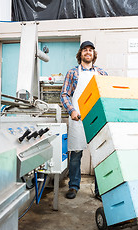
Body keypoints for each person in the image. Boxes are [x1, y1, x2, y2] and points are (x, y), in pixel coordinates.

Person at [60, 41, 108, 199]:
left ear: (94, 54)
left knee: (100, 154)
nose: (88, 52)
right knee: (75, 155)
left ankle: (99, 190)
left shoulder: (101, 73)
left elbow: (106, 93)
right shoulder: (72, 73)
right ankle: (73, 186)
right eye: (85, 50)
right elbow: (65, 94)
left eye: (91, 50)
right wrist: (72, 110)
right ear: (80, 54)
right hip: (78, 118)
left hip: (97, 118)